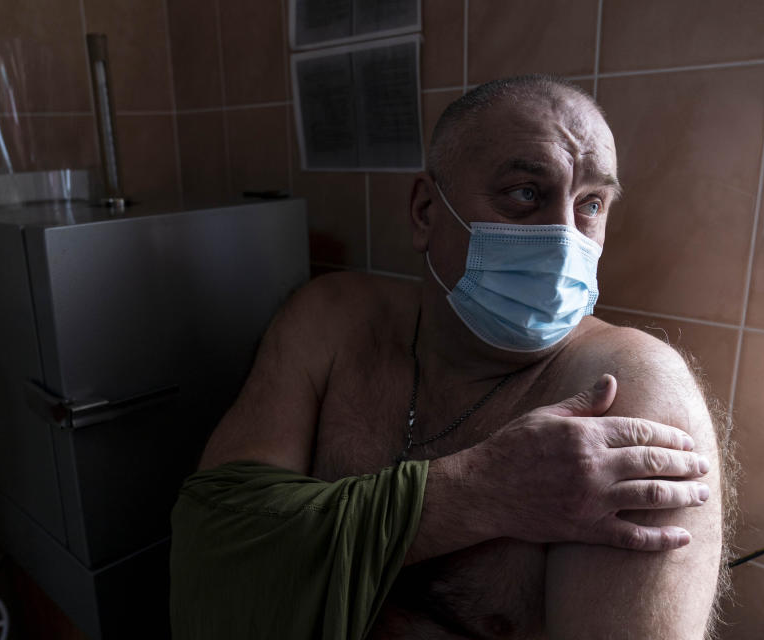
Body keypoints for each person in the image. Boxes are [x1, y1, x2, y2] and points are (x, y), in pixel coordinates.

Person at [170, 75, 726, 639]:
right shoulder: (331, 322)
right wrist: (479, 490)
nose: (563, 239)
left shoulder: (629, 390)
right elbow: (215, 543)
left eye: (590, 204)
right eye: (526, 193)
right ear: (424, 211)